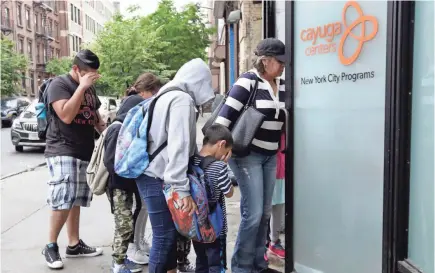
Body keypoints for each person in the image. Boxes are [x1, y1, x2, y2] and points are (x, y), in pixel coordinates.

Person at [135, 58, 215, 273]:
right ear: (198, 82)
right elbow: (179, 146)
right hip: (157, 176)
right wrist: (181, 188)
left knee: (167, 235)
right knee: (164, 237)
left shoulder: (166, 94)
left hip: (152, 174)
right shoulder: (181, 100)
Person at [215, 38, 286, 273]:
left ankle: (259, 261)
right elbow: (223, 118)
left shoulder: (280, 84)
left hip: (270, 154)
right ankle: (242, 267)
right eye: (280, 61)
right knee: (252, 213)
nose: (283, 66)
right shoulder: (248, 81)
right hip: (247, 155)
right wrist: (219, 148)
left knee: (265, 213)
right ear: (265, 61)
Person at [42, 49, 105, 269]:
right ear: (76, 69)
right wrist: (82, 86)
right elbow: (66, 115)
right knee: (63, 196)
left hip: (84, 149)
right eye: (88, 73)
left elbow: (96, 117)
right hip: (62, 148)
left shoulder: (89, 88)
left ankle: (74, 244)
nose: (92, 78)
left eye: (95, 74)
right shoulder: (60, 85)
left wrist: (107, 131)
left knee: (76, 198)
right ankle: (50, 246)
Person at [104, 73, 163, 273]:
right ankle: (118, 263)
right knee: (124, 225)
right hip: (119, 187)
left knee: (129, 222)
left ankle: (123, 259)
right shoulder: (117, 128)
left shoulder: (129, 129)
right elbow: (110, 163)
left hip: (128, 186)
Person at [192, 124, 234, 273]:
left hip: (195, 224)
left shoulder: (192, 160)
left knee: (201, 260)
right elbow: (229, 192)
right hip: (213, 225)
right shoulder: (219, 167)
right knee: (215, 263)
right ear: (221, 144)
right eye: (227, 151)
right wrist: (224, 165)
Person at [266, 133, 286, 260]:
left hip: (284, 171)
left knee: (278, 207)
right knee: (265, 210)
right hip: (271, 170)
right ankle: (267, 243)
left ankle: (274, 241)